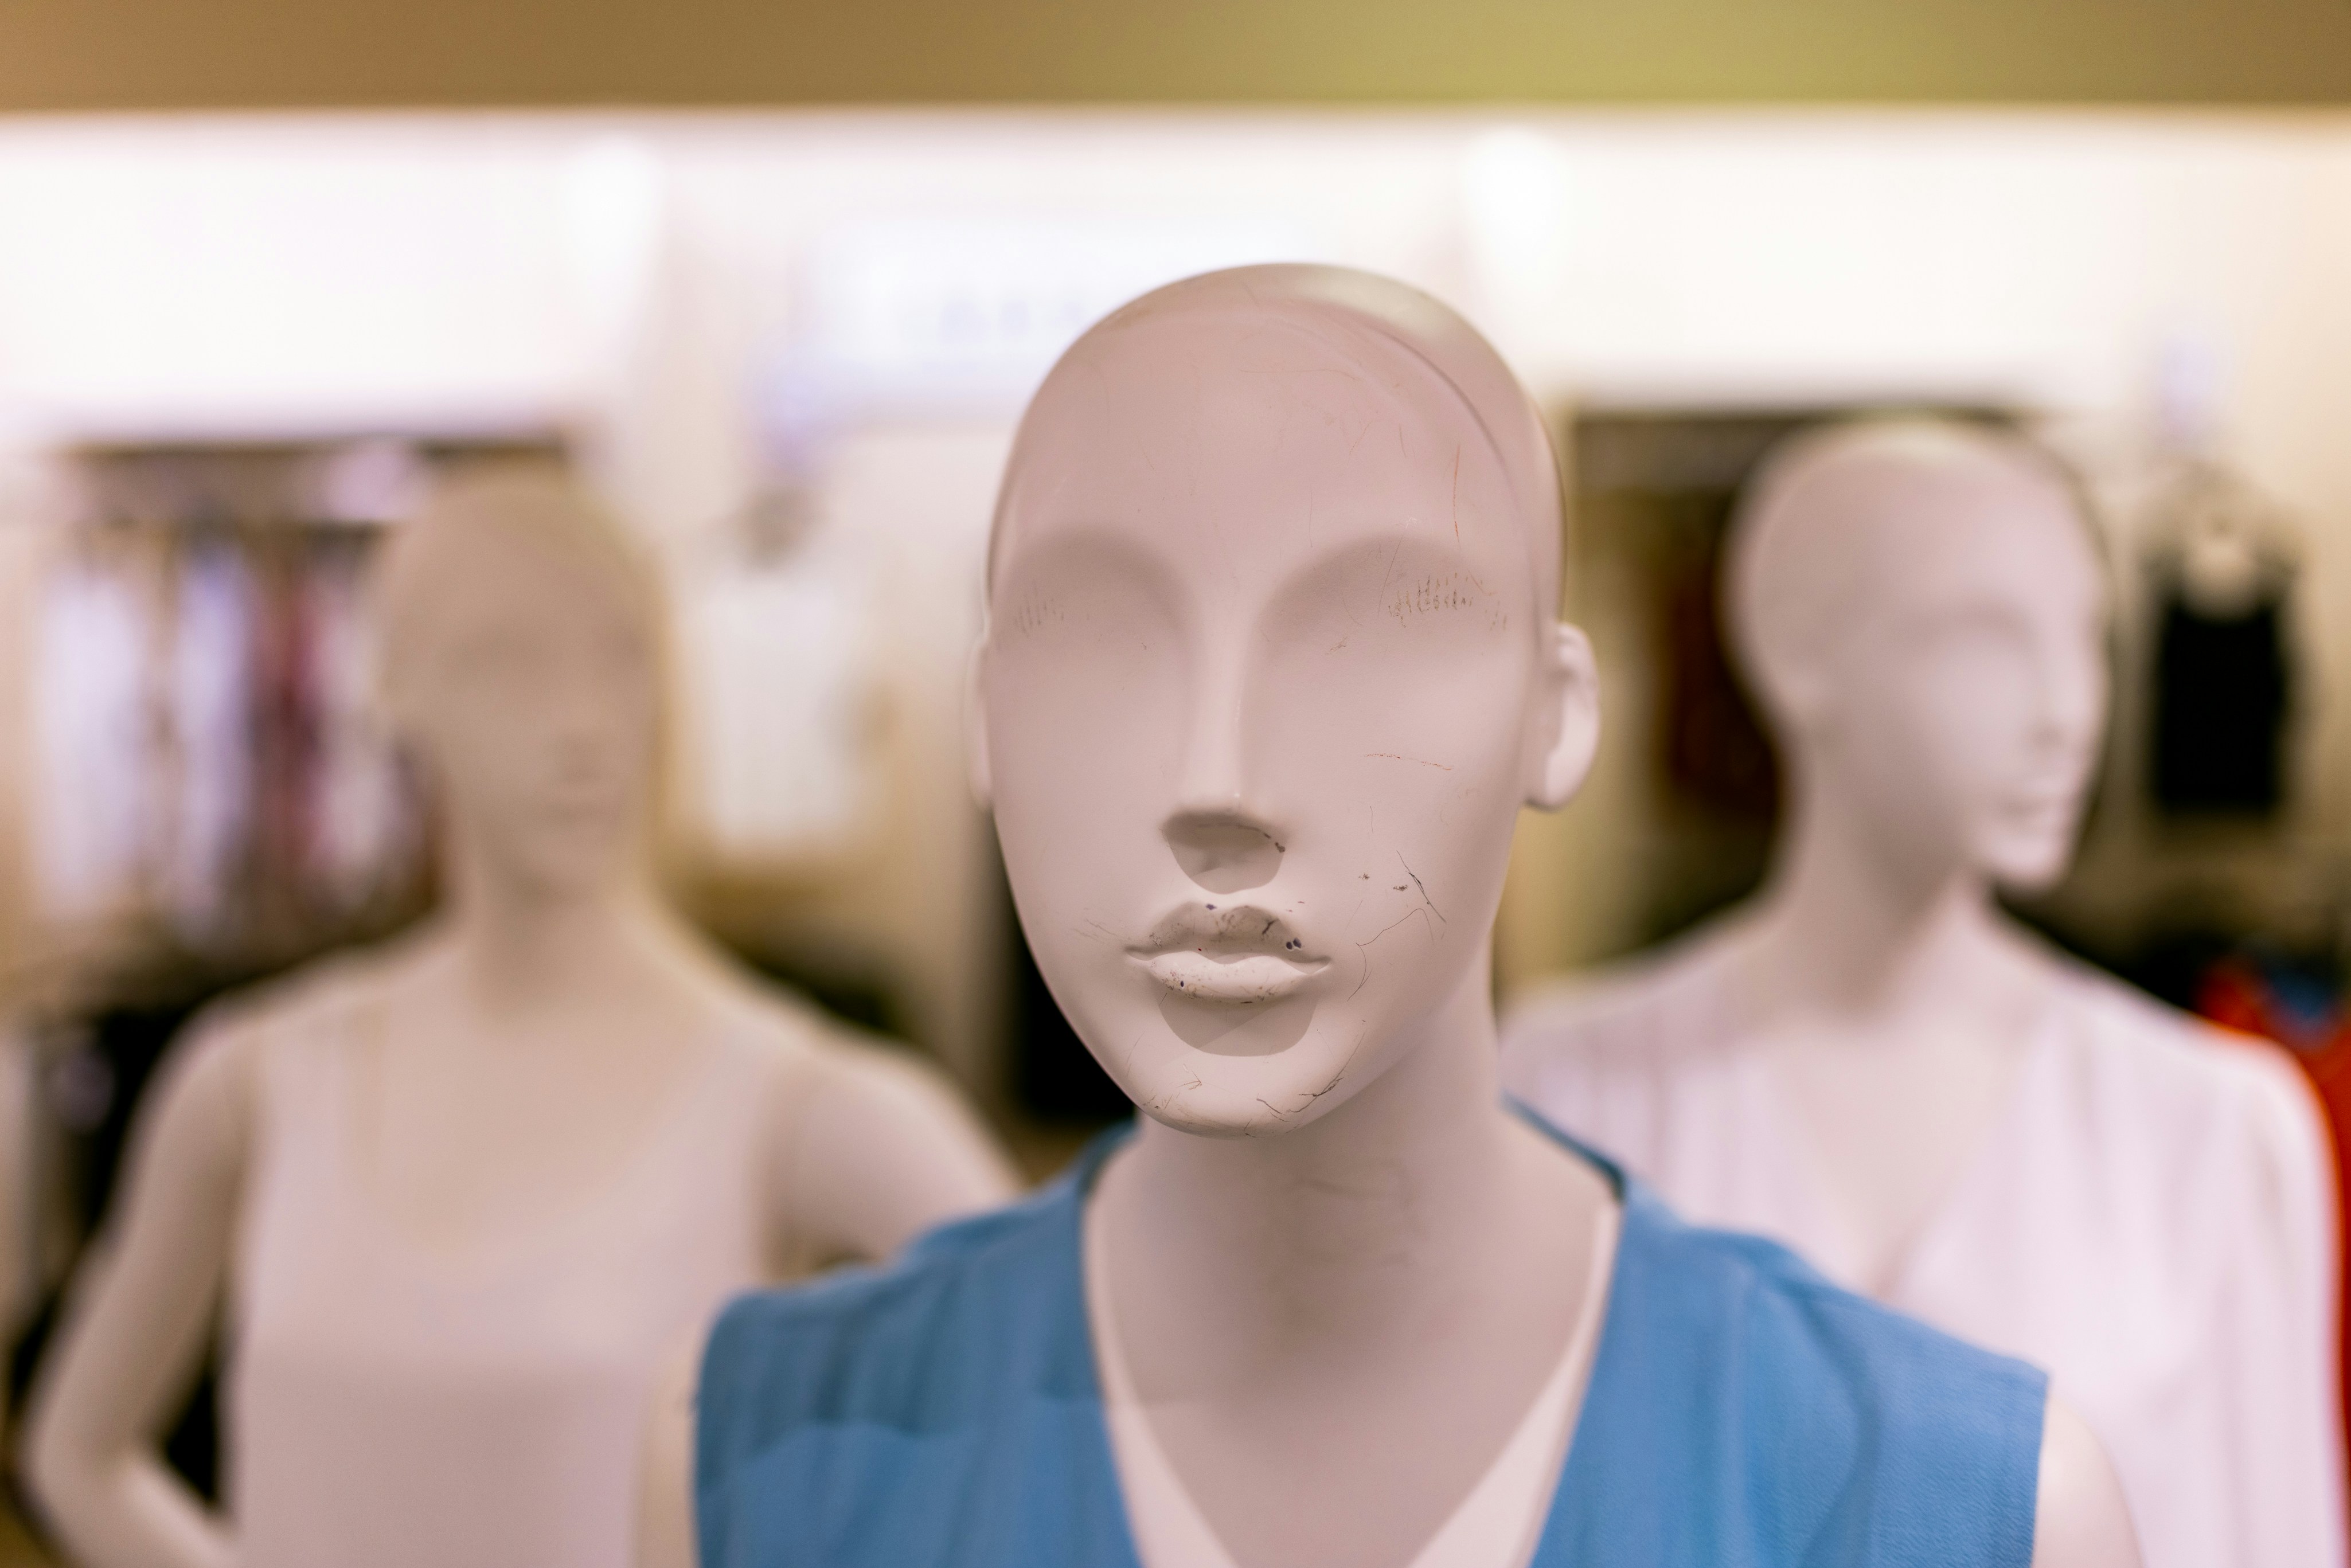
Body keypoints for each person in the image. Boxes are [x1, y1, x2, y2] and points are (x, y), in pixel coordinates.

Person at [653, 268, 2138, 1568]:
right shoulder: (757, 1464)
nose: (1217, 782)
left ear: (1556, 716)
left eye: (1374, 633)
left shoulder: (1955, 1507)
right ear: (983, 719)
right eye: (1103, 635)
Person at [25, 470, 1018, 1568]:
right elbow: (79, 1452)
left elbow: (1073, 1411)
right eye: (507, 661)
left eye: (621, 656)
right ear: (395, 687)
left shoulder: (800, 1101)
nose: (581, 722)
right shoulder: (257, 1077)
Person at [1503, 419, 2342, 1568]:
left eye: (2087, 639)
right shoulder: (1568, 1092)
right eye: (1989, 637)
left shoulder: (2217, 1130)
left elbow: (2275, 1536)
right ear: (1801, 655)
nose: (2068, 711)